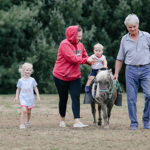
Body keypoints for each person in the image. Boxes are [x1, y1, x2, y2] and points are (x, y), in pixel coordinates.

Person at [113, 14, 150, 130]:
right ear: (126, 27)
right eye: (130, 27)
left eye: (134, 26)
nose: (132, 29)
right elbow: (119, 58)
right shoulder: (124, 39)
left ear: (138, 25)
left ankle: (147, 121)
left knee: (149, 95)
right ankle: (134, 123)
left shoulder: (147, 36)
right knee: (131, 98)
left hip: (146, 69)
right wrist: (116, 73)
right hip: (130, 70)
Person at [53, 25, 92, 128]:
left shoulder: (80, 45)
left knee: (76, 97)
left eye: (81, 36)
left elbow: (85, 56)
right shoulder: (64, 44)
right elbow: (73, 59)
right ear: (72, 35)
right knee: (63, 98)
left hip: (75, 76)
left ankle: (77, 121)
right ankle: (62, 120)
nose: (80, 38)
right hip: (61, 76)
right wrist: (86, 60)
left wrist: (92, 61)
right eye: (78, 36)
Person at [14, 62, 40, 129]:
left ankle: (28, 121)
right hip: (23, 98)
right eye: (27, 70)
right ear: (23, 71)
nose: (28, 71)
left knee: (29, 112)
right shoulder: (20, 80)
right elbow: (18, 89)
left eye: (30, 70)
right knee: (24, 111)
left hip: (30, 98)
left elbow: (35, 88)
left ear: (31, 71)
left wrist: (38, 96)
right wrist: (16, 97)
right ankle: (21, 124)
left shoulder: (32, 80)